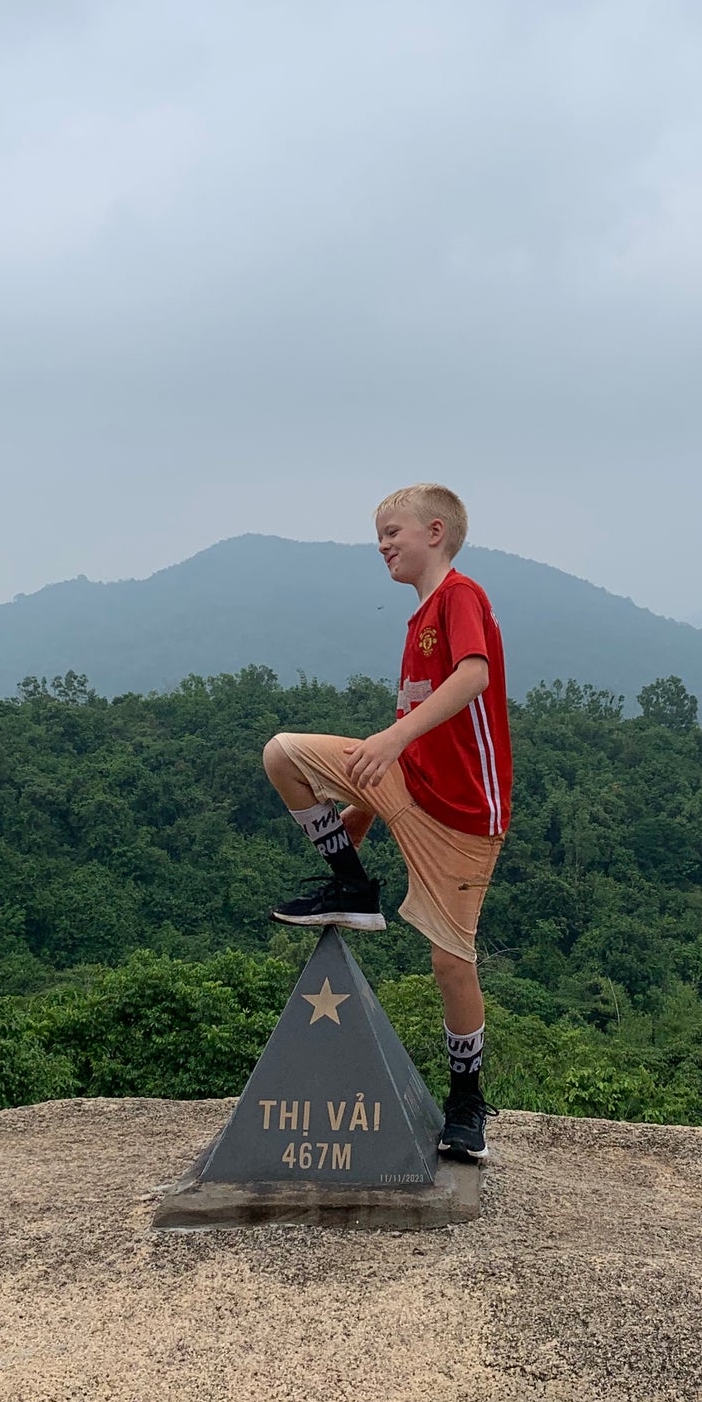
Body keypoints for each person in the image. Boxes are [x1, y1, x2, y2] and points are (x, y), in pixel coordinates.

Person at [262, 483, 512, 1162]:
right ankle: (349, 883)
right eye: (378, 534)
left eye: (391, 531)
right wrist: (362, 816)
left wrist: (391, 740)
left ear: (435, 531)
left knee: (448, 959)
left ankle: (466, 1100)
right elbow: (410, 729)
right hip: (407, 782)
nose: (382, 544)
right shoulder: (414, 624)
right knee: (282, 754)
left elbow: (473, 677)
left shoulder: (461, 595)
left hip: (463, 815)